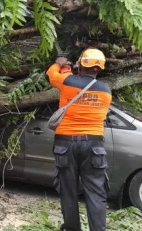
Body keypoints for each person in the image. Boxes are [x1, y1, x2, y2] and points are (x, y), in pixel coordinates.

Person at [46, 48, 112, 231]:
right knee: (96, 194)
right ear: (99, 69)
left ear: (80, 64)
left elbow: (52, 75)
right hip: (94, 146)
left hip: (66, 144)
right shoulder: (107, 91)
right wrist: (68, 68)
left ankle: (72, 228)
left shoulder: (67, 81)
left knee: (68, 191)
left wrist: (60, 63)